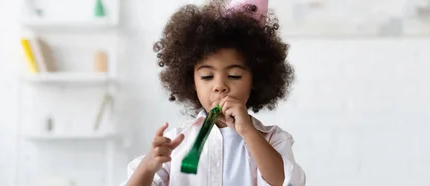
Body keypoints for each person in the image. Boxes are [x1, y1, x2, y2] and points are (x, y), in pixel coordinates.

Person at [122, 0, 305, 185]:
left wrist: (248, 132)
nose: (220, 86)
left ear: (256, 80)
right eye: (207, 76)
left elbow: (286, 181)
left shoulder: (273, 139)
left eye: (234, 76)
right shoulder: (175, 143)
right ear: (191, 81)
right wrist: (148, 166)